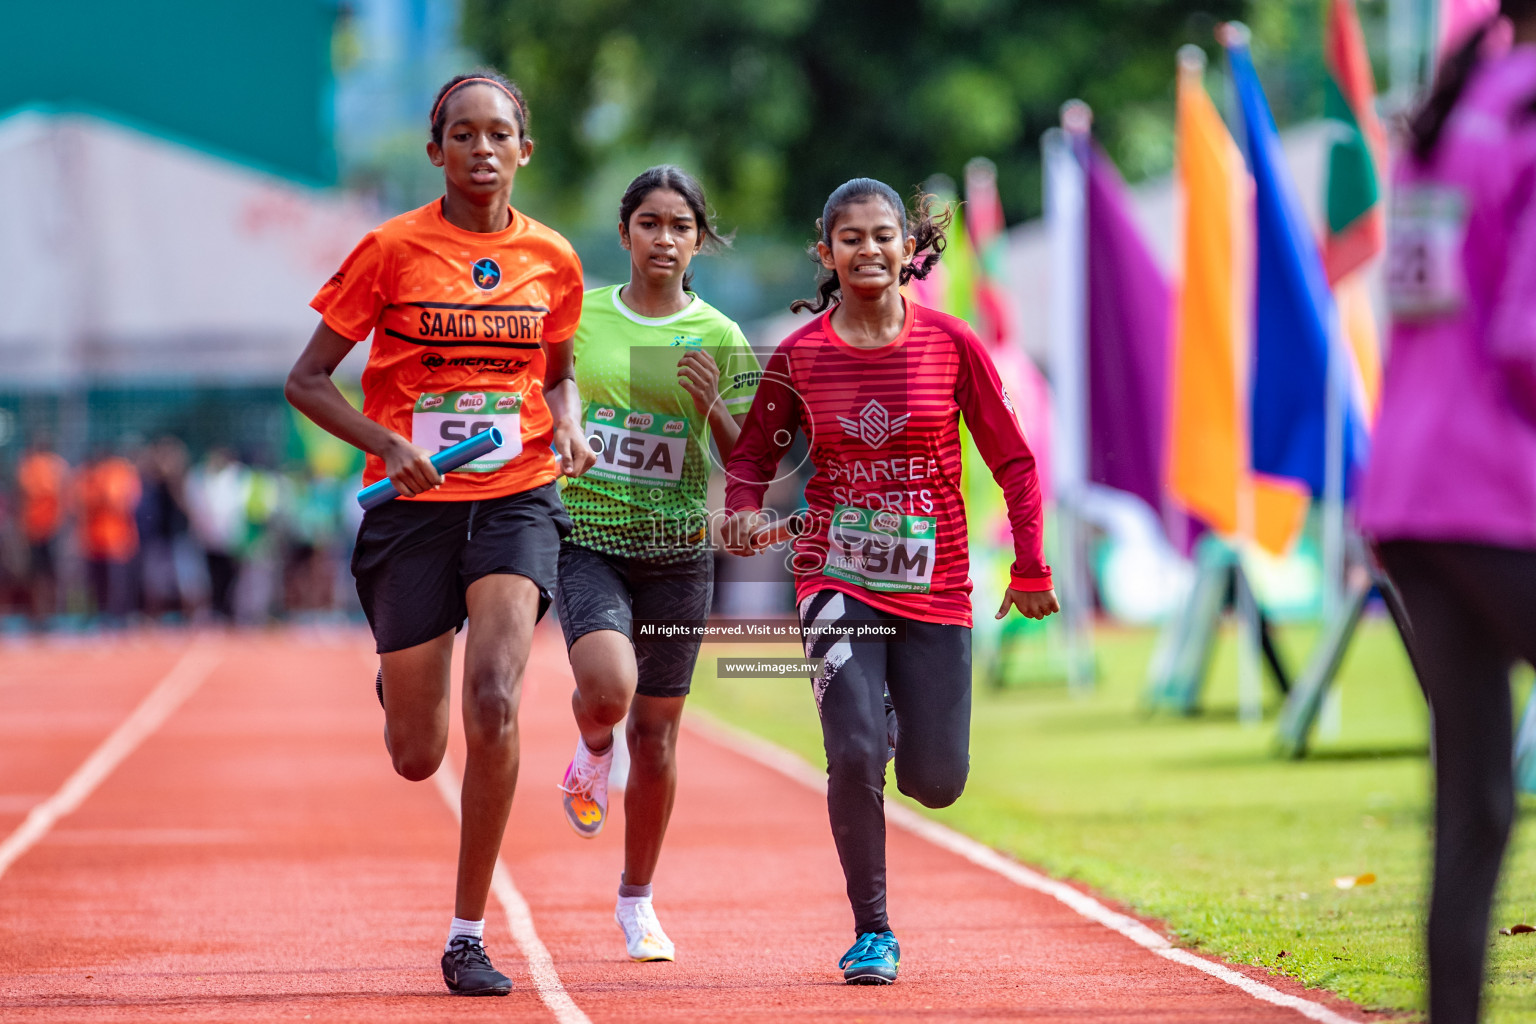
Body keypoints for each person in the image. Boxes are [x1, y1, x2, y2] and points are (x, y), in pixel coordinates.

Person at [284, 69, 593, 997]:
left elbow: (559, 374)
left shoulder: (555, 260)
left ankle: (467, 934)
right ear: (437, 151)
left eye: (500, 133)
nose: (483, 148)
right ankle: (399, 673)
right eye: (463, 134)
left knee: (494, 696)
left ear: (523, 150)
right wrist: (386, 444)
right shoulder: (389, 249)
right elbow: (306, 380)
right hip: (411, 510)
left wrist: (568, 420)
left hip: (518, 496)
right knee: (418, 756)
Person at [722, 178, 1058, 985]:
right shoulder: (800, 356)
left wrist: (1032, 564)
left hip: (935, 583)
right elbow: (749, 461)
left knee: (936, 783)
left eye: (883, 236)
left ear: (910, 249)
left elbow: (1013, 460)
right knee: (853, 749)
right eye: (851, 238)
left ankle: (902, 722)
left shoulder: (951, 343)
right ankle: (873, 930)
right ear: (825, 251)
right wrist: (739, 510)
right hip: (835, 575)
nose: (868, 250)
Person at [1361, 4, 1536, 1021]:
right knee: (1472, 804)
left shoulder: (1459, 102)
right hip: (1495, 489)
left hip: (1413, 494)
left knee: (1471, 807)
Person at [553, 165, 759, 961]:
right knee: (607, 691)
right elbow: (554, 394)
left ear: (699, 239)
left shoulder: (719, 334)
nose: (664, 239)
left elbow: (752, 462)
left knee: (660, 734)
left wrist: (710, 403)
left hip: (677, 553)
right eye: (650, 223)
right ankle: (591, 752)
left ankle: (637, 901)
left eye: (680, 226)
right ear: (624, 232)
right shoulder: (586, 319)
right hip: (591, 538)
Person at [77, 448, 141, 623]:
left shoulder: (120, 473)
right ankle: (99, 616)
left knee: (118, 582)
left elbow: (117, 501)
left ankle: (120, 616)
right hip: (94, 540)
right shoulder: (88, 475)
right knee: (96, 583)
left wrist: (102, 487)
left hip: (117, 539)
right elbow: (82, 502)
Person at [16, 440, 70, 624]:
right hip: (36, 528)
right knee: (37, 575)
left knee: (51, 575)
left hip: (52, 528)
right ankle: (41, 615)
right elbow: (27, 493)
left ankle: (54, 614)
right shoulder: (31, 466)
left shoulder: (53, 465)